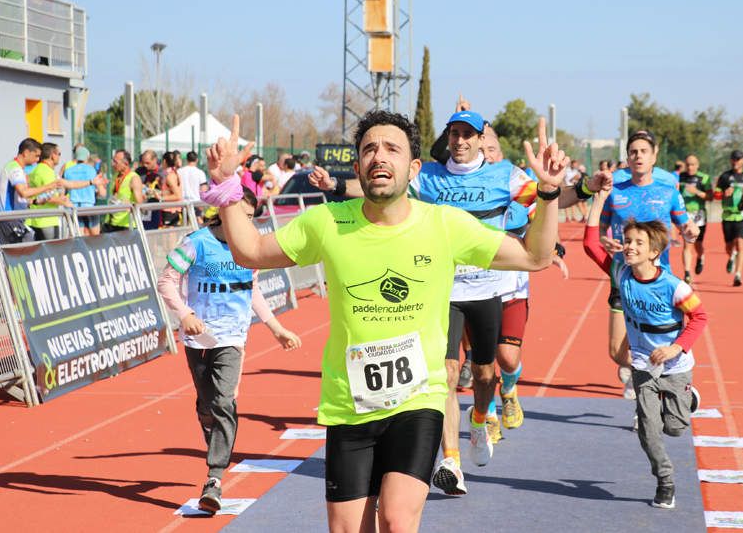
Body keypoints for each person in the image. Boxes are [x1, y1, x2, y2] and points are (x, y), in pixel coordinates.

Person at [205, 110, 566, 531]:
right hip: (349, 405)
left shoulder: (445, 224)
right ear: (357, 167)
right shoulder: (328, 222)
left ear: (413, 168)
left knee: (395, 519)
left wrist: (548, 192)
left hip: (417, 398)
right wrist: (227, 186)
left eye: (392, 148)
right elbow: (249, 252)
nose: (380, 156)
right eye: (369, 149)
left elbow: (535, 257)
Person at [156, 186, 301, 514]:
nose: (248, 225)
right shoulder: (196, 243)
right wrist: (186, 314)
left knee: (225, 401)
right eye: (243, 217)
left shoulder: (249, 247)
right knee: (209, 405)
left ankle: (214, 478)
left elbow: (252, 290)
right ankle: (209, 421)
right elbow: (166, 282)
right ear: (224, 212)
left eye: (252, 218)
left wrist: (276, 328)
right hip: (198, 338)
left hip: (233, 337)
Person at [584, 189, 706, 510]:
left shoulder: (674, 287)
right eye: (628, 240)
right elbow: (590, 245)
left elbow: (700, 317)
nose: (630, 246)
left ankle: (687, 398)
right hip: (642, 366)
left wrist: (675, 347)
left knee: (675, 429)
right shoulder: (621, 273)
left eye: (638, 243)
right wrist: (597, 201)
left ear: (654, 252)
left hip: (676, 366)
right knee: (649, 430)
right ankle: (665, 481)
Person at [599, 131, 697, 401]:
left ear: (654, 157)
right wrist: (604, 241)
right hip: (623, 279)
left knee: (655, 347)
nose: (638, 156)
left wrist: (691, 231)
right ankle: (644, 374)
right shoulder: (615, 193)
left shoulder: (668, 193)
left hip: (658, 282)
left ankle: (647, 399)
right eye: (633, 152)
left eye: (644, 151)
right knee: (617, 352)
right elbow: (601, 229)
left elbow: (685, 227)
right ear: (627, 159)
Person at [0, 138, 59, 243]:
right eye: (36, 156)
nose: (37, 160)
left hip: (14, 220)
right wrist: (48, 186)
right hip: (9, 220)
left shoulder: (18, 168)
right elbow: (24, 193)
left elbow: (20, 198)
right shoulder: (14, 168)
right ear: (26, 153)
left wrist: (35, 201)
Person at [715, 150, 743, 286]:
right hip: (728, 216)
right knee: (729, 247)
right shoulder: (725, 176)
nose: (736, 162)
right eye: (734, 159)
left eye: (738, 159)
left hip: (742, 215)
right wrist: (724, 194)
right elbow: (716, 195)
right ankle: (731, 256)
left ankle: (738, 275)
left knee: (741, 244)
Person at [26, 142, 68, 240]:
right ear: (52, 155)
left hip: (35, 219)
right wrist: (64, 201)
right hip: (47, 220)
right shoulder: (47, 172)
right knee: (52, 252)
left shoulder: (37, 169)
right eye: (59, 154)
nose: (59, 157)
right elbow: (49, 197)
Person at [679, 154, 711, 284]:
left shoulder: (704, 178)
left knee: (698, 244)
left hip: (699, 214)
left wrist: (696, 192)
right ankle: (687, 273)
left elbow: (710, 197)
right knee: (687, 244)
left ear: (697, 165)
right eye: (688, 165)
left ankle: (700, 256)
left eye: (692, 164)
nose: (690, 167)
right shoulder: (681, 178)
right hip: (685, 215)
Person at [63, 146, 107, 235]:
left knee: (79, 237)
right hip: (89, 207)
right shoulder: (92, 170)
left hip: (74, 208)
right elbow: (102, 193)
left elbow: (64, 192)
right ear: (87, 157)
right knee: (95, 237)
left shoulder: (68, 171)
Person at [104, 149, 144, 232]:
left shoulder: (134, 178)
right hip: (110, 222)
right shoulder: (115, 176)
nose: (112, 164)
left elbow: (140, 203)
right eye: (112, 161)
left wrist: (129, 205)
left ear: (125, 163)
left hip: (126, 225)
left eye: (115, 162)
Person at [160, 151, 183, 227]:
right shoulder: (172, 174)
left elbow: (177, 196)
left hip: (171, 211)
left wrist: (161, 198)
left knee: (170, 237)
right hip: (171, 210)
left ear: (164, 161)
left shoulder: (170, 176)